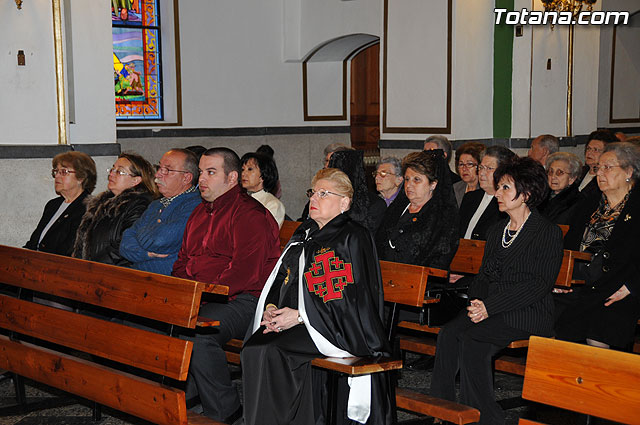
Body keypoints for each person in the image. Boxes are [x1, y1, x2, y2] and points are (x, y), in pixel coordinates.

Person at [241, 168, 392, 425]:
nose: (314, 199)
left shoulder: (351, 237)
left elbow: (348, 299)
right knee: (254, 347)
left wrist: (301, 316)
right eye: (313, 192)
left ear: (344, 203)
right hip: (307, 321)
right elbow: (282, 278)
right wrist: (272, 306)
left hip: (340, 328)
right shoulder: (306, 233)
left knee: (270, 349)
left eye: (324, 194)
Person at [431, 156, 563, 425]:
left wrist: (489, 307)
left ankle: (485, 419)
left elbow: (539, 284)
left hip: (528, 311)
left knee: (473, 340)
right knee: (449, 333)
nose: (497, 193)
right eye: (499, 187)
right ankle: (442, 410)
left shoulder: (547, 232)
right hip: (491, 307)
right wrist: (477, 302)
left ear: (525, 194)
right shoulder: (497, 230)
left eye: (505, 188)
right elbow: (483, 276)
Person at [172, 147, 280, 423]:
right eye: (200, 173)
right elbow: (182, 261)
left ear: (232, 178)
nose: (202, 180)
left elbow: (243, 273)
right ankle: (191, 395)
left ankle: (226, 409)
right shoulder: (199, 212)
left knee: (198, 335)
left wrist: (199, 298)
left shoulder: (249, 215)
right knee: (157, 322)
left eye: (210, 172)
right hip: (204, 297)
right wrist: (184, 294)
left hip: (244, 300)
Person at [556, 142, 640, 350]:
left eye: (608, 167)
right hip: (582, 284)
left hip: (621, 287)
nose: (600, 173)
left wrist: (632, 287)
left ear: (629, 171)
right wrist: (562, 278)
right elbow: (570, 245)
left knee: (599, 330)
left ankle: (604, 381)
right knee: (550, 318)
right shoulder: (589, 203)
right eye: (598, 168)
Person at [119, 149, 201, 275]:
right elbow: (124, 243)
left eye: (167, 170)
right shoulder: (156, 204)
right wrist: (146, 253)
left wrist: (139, 240)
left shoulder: (195, 204)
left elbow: (160, 240)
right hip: (140, 276)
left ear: (186, 178)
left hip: (169, 281)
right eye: (159, 168)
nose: (157, 175)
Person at [376, 150, 459, 270]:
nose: (409, 185)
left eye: (417, 180)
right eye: (407, 179)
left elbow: (437, 259)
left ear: (433, 184)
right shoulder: (397, 209)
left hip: (421, 281)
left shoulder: (441, 218)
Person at [72, 152, 157, 266]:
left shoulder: (140, 206)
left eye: (119, 171)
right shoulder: (102, 203)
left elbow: (125, 244)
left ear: (135, 180)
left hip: (113, 271)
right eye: (112, 169)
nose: (112, 174)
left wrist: (95, 265)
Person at [26, 151, 97, 256]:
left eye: (64, 172)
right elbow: (34, 242)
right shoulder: (53, 205)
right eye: (56, 171)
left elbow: (71, 250)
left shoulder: (88, 208)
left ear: (81, 178)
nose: (57, 176)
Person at [459, 145, 517, 240]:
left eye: (489, 168)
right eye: (481, 167)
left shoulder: (506, 204)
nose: (481, 173)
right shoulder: (470, 197)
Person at [240, 152, 286, 228]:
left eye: (250, 169)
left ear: (263, 176)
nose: (243, 174)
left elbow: (263, 235)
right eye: (242, 169)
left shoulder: (273, 204)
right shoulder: (239, 198)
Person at [539, 152, 583, 225]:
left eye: (559, 173)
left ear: (571, 179)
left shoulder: (576, 202)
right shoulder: (542, 194)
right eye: (551, 172)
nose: (553, 177)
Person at [577, 129, 619, 198]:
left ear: (607, 153)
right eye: (588, 148)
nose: (589, 153)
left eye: (595, 150)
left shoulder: (606, 178)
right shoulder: (580, 172)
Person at [453, 142, 485, 206]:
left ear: (480, 166)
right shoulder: (455, 188)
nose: (464, 169)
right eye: (461, 164)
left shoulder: (485, 189)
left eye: (469, 164)